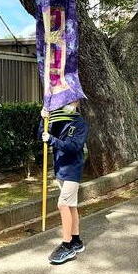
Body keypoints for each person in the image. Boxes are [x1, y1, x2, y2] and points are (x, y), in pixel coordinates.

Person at [40, 101, 89, 264]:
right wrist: (43, 119)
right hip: (60, 168)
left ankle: (67, 245)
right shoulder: (59, 119)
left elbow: (74, 146)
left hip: (73, 169)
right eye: (66, 101)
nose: (69, 104)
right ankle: (76, 240)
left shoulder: (80, 123)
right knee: (71, 206)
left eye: (72, 101)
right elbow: (42, 134)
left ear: (77, 102)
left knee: (63, 205)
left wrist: (53, 140)